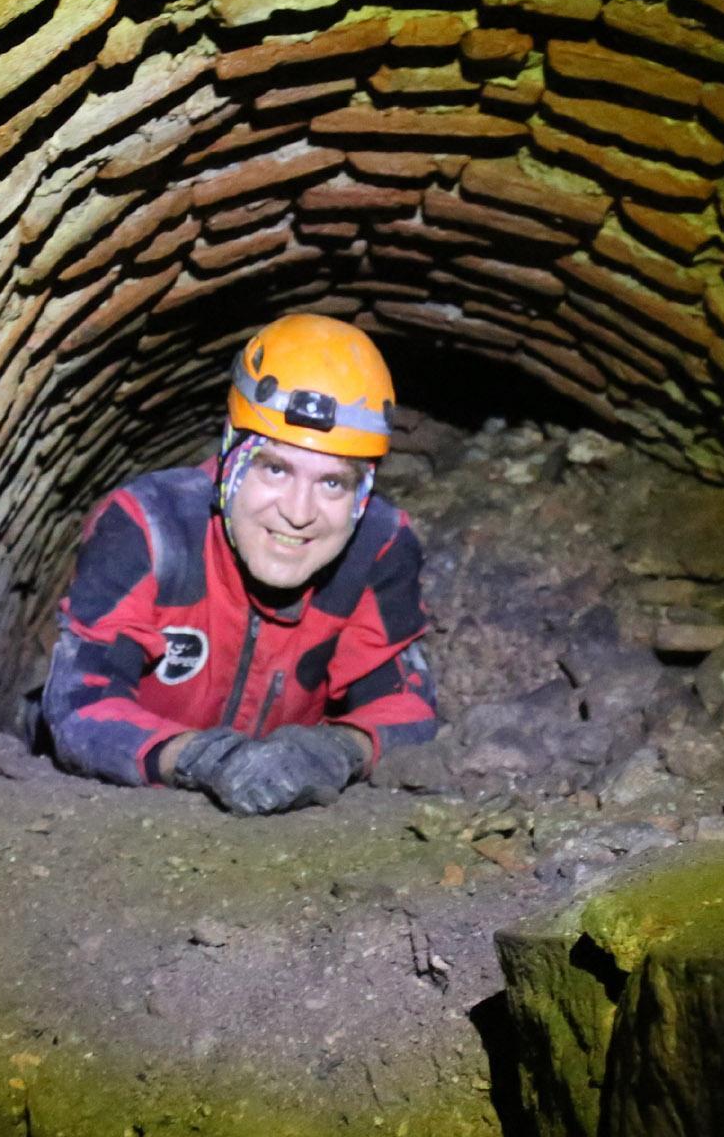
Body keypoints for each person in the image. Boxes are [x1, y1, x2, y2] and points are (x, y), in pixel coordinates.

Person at [41, 314, 438, 813]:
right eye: (275, 468)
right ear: (232, 455)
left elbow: (409, 708)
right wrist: (204, 759)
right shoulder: (150, 528)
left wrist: (337, 750)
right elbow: (79, 707)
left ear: (363, 493)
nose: (298, 513)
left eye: (333, 483)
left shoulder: (379, 548)